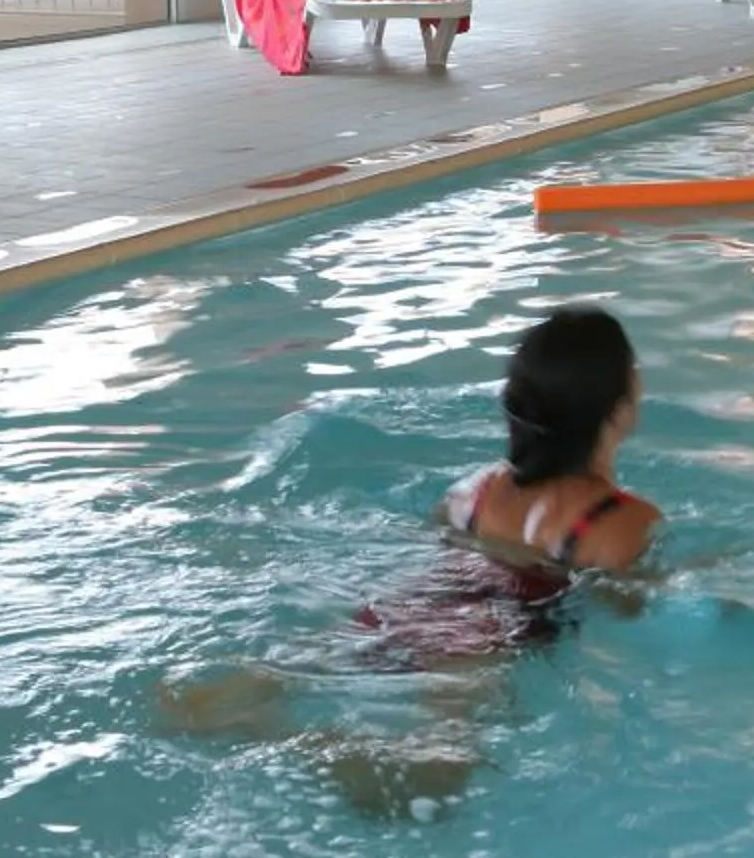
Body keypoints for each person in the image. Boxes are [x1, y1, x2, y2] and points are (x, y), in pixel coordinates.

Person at [157, 308, 660, 801]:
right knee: (438, 780)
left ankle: (244, 692)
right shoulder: (620, 521)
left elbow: (440, 544)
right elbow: (629, 607)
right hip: (483, 634)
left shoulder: (475, 490)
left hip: (411, 602)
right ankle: (270, 734)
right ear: (617, 409)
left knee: (313, 663)